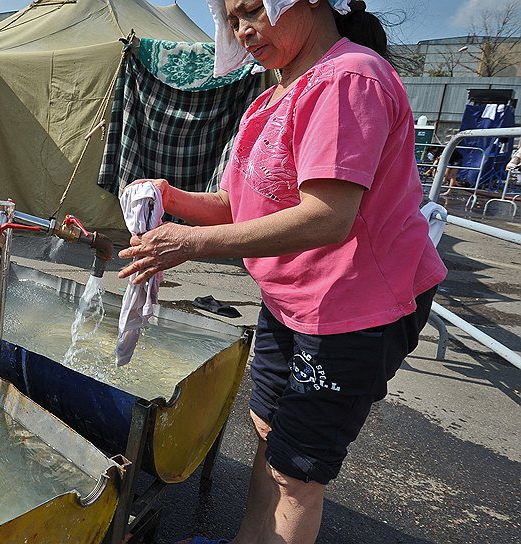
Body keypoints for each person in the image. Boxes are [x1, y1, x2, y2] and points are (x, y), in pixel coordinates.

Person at [116, 1, 447, 543]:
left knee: (297, 472)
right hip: (289, 298)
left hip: (353, 309)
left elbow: (328, 216)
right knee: (269, 436)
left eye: (252, 11)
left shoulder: (348, 80)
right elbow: (241, 203)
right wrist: (170, 197)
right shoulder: (273, 96)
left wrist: (190, 243)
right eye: (232, 20)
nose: (243, 31)